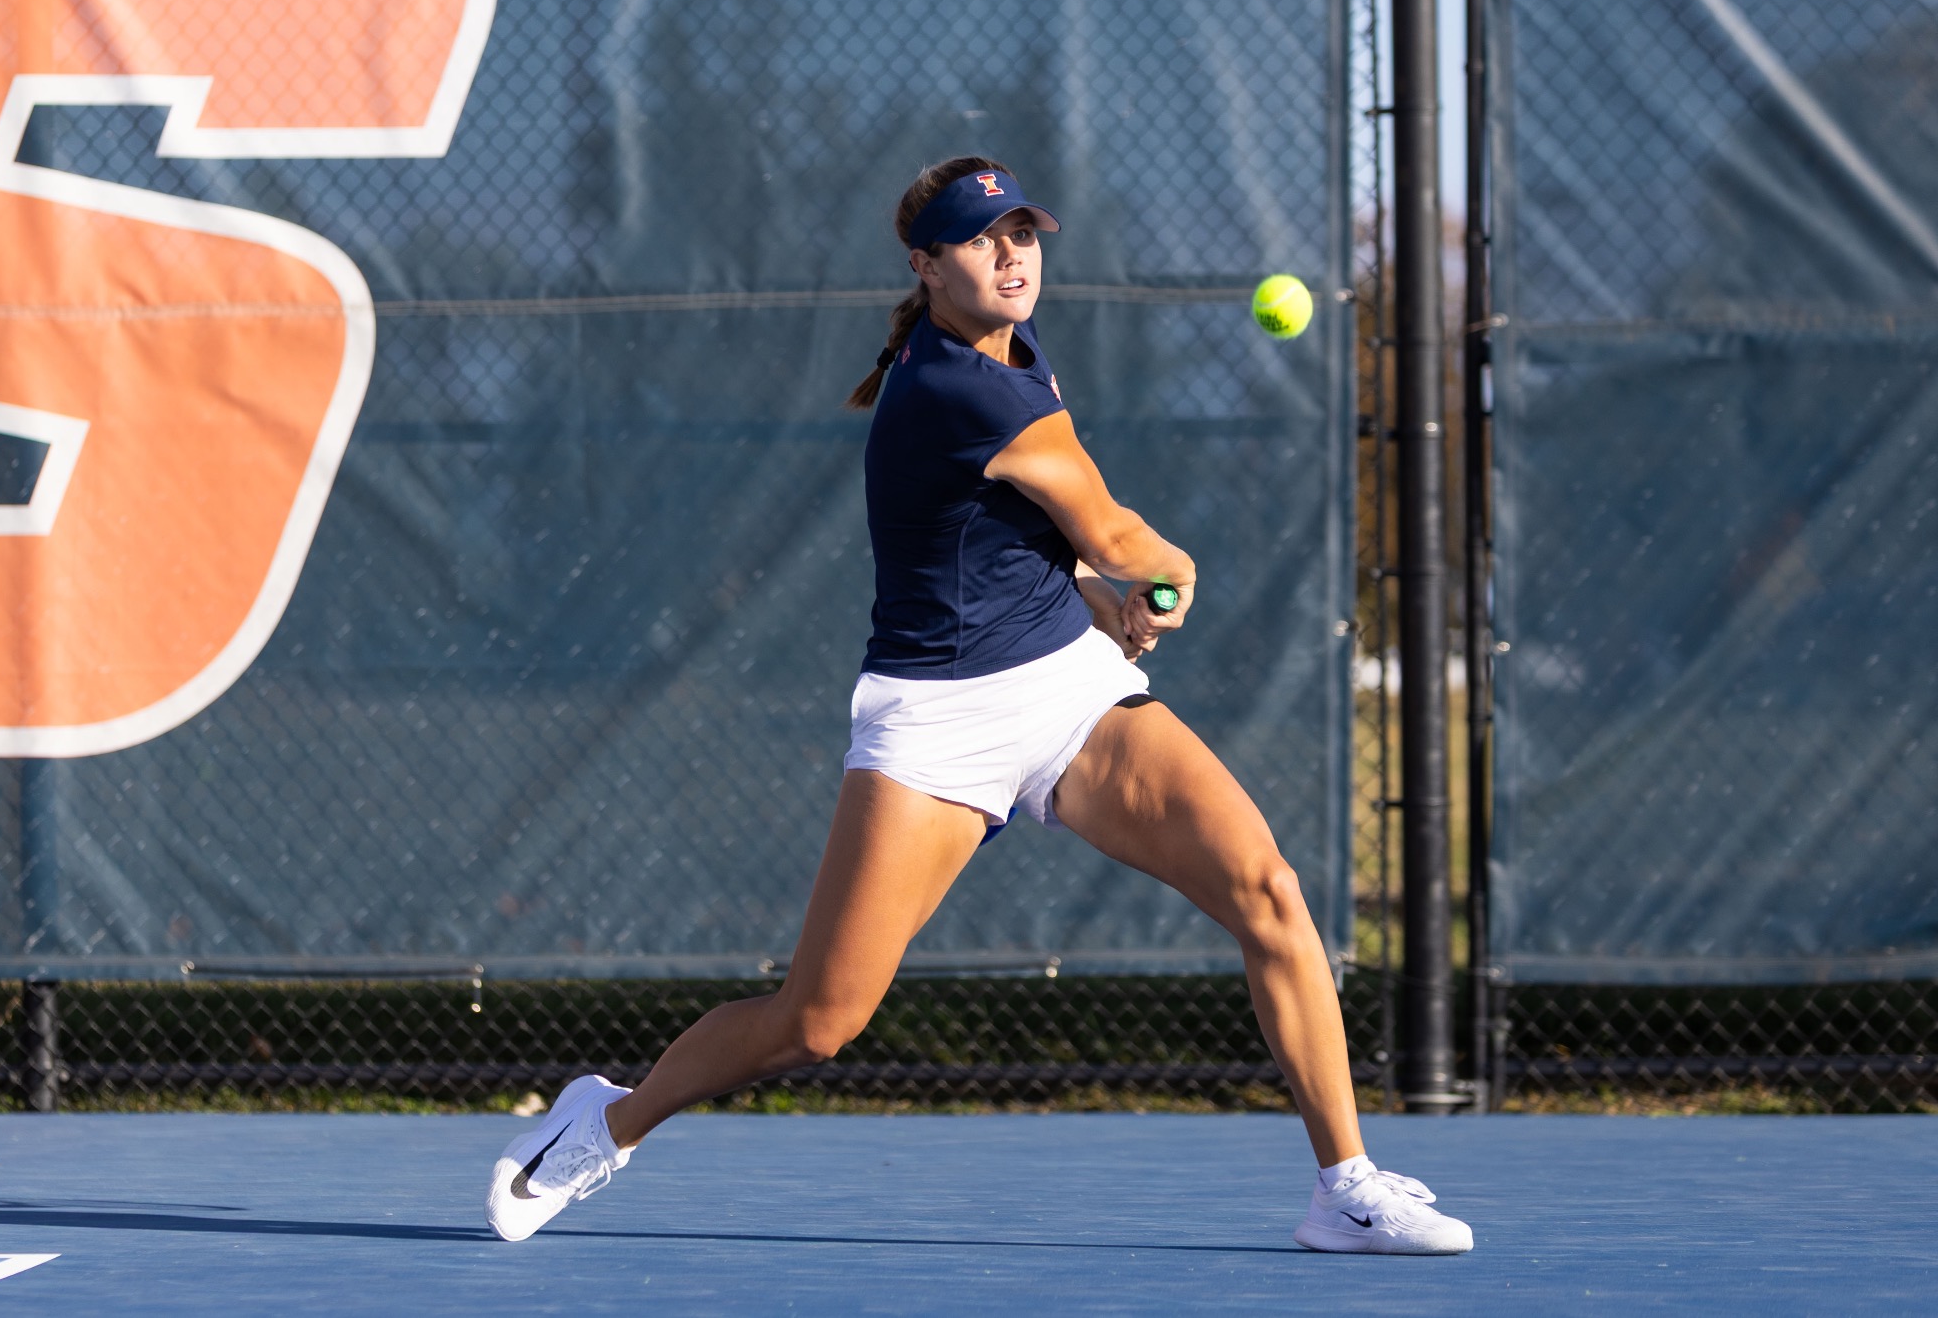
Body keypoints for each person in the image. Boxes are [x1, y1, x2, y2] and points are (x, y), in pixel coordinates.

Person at [486, 157, 1472, 1255]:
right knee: (815, 1024)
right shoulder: (962, 385)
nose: (1009, 255)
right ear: (924, 265)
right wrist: (1158, 570)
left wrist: (1093, 601)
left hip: (1067, 689)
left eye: (1022, 234)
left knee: (1265, 887)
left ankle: (1344, 1186)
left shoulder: (1010, 345)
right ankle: (605, 1120)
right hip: (934, 725)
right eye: (978, 239)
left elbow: (1014, 536)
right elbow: (1111, 526)